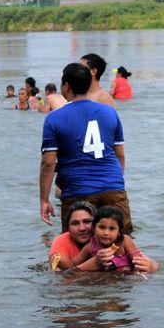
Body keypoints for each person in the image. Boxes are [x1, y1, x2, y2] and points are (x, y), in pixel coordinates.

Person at [40, 63, 133, 234]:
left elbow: (48, 164)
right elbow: (120, 155)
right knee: (121, 244)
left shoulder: (54, 119)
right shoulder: (110, 113)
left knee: (76, 249)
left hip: (77, 190)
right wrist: (114, 182)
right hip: (113, 188)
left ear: (66, 87)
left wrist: (44, 200)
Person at [63, 205, 157, 273]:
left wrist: (142, 273)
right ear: (93, 228)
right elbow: (73, 263)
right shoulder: (91, 247)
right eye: (102, 227)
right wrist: (60, 262)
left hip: (125, 281)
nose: (106, 233)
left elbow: (138, 262)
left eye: (112, 229)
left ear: (119, 232)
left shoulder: (124, 241)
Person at [48, 201, 96, 272]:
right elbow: (59, 272)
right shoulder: (61, 241)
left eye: (87, 221)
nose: (82, 228)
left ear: (97, 224)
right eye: (75, 223)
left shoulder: (106, 238)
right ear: (68, 228)